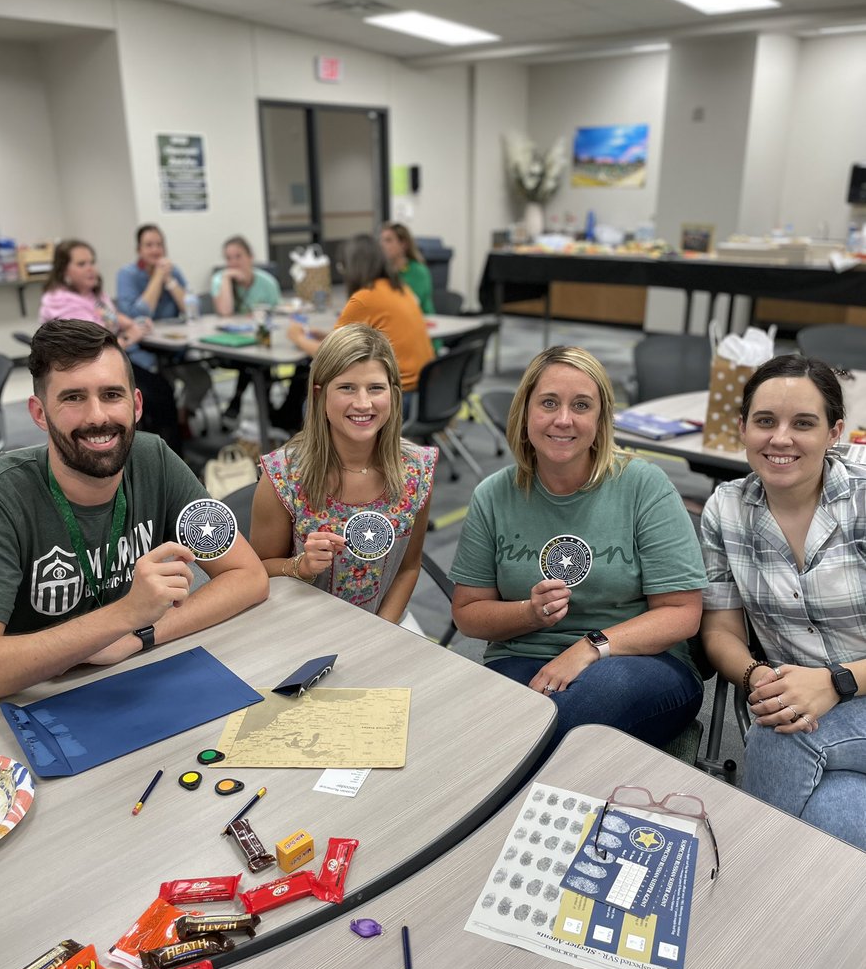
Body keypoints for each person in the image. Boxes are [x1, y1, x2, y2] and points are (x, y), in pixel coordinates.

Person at [0, 319, 269, 708]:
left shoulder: (155, 458)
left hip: (139, 681)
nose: (97, 417)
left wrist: (141, 634)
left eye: (111, 394)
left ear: (136, 404)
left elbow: (248, 576)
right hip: (34, 703)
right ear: (39, 414)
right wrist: (125, 615)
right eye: (73, 398)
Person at [450, 346, 707, 746]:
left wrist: (590, 647)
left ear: (600, 419)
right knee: (475, 724)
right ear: (525, 412)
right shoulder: (493, 495)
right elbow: (467, 614)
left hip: (639, 660)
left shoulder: (642, 485)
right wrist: (530, 614)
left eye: (582, 405)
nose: (563, 419)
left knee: (552, 724)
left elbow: (682, 613)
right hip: (521, 658)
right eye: (549, 402)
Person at [700, 354, 866, 848]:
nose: (780, 439)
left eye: (804, 424)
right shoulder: (726, 510)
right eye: (765, 421)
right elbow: (720, 631)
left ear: (835, 431)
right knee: (832, 821)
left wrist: (837, 682)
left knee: (780, 733)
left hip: (843, 696)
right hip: (802, 703)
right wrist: (760, 679)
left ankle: (743, 874)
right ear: (742, 427)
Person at [250, 325, 435, 621]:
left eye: (375, 388)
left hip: (385, 624)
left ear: (393, 395)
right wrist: (300, 566)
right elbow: (255, 570)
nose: (363, 403)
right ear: (320, 396)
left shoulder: (418, 470)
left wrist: (380, 631)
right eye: (346, 387)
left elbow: (409, 567)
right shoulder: (283, 477)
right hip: (299, 626)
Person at [39, 238, 182, 452]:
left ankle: (163, 452)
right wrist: (130, 337)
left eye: (92, 262)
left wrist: (133, 323)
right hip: (83, 371)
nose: (91, 269)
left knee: (160, 390)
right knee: (158, 394)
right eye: (81, 264)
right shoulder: (61, 302)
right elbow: (89, 351)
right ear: (64, 271)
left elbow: (111, 316)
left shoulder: (90, 294)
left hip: (108, 363)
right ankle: (159, 455)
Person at [288, 234, 434, 400]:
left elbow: (329, 356)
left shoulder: (365, 298)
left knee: (312, 402)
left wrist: (297, 337)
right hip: (423, 393)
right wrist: (327, 337)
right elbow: (350, 342)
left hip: (396, 397)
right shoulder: (401, 289)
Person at [116, 224, 211, 424]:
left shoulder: (172, 271)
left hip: (175, 351)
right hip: (143, 352)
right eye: (149, 245)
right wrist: (157, 279)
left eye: (159, 244)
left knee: (202, 380)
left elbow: (192, 309)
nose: (155, 250)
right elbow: (137, 314)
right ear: (139, 250)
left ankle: (183, 416)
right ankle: (164, 427)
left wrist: (170, 281)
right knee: (162, 389)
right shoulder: (128, 275)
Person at [212, 235, 281, 426]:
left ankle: (236, 402)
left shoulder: (267, 282)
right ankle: (267, 411)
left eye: (238, 256)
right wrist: (227, 278)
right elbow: (224, 311)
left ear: (250, 257)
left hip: (261, 341)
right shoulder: (220, 280)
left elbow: (279, 316)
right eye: (229, 258)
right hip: (231, 346)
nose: (233, 262)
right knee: (253, 363)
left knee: (258, 360)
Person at [380, 222, 435, 315]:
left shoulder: (418, 271)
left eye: (388, 240)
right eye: (382, 240)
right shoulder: (383, 271)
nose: (382, 245)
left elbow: (412, 302)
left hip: (422, 322)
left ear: (403, 244)